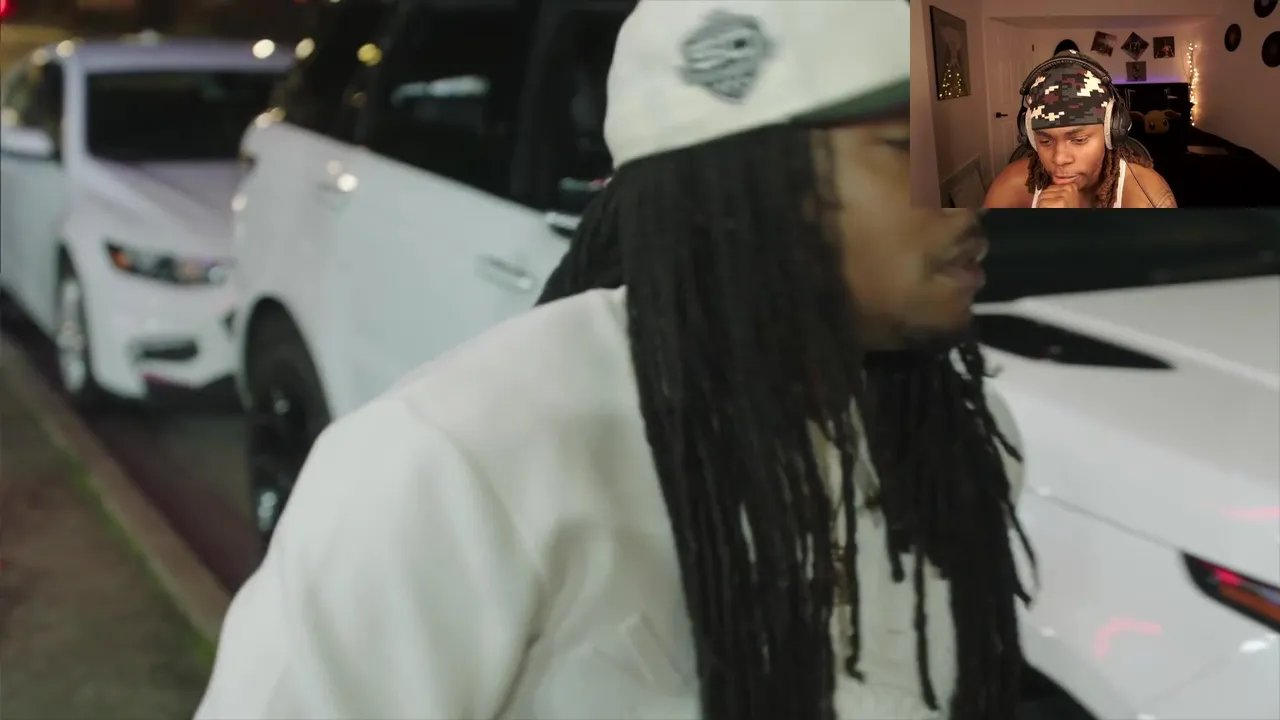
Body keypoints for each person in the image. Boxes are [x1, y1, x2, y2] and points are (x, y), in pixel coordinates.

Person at [196, 1, 1035, 719]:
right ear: (741, 180)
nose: (976, 189)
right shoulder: (457, 464)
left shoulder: (957, 442)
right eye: (910, 147)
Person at [983, 50, 1177, 209]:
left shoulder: (1149, 197)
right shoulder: (1010, 188)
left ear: (1111, 132)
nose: (1059, 158)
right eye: (1045, 141)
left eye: (1079, 140)